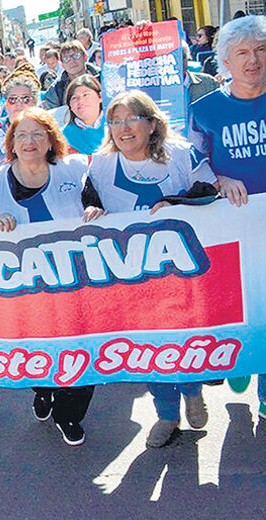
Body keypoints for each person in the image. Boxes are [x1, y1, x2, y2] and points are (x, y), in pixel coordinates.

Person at [82, 91, 222, 446]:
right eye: (115, 121)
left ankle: (192, 392)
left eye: (132, 119)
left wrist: (175, 203)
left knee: (184, 340)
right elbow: (86, 206)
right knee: (149, 346)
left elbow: (211, 190)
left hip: (183, 272)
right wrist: (91, 211)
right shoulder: (99, 166)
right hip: (133, 277)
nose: (123, 128)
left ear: (151, 123)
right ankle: (166, 414)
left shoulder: (181, 155)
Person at [0, 108, 94, 446]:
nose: (29, 141)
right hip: (25, 287)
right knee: (38, 351)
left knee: (80, 347)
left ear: (51, 140)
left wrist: (96, 209)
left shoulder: (77, 170)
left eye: (37, 134)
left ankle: (69, 414)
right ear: (11, 143)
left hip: (75, 280)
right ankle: (44, 389)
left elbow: (101, 204)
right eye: (21, 135)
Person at [189, 15, 264, 417]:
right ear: (226, 62)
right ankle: (243, 362)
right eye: (242, 53)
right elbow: (194, 162)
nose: (253, 60)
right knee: (241, 304)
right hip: (232, 227)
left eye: (261, 50)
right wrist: (219, 179)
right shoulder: (205, 109)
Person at [43, 40, 100, 109]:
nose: (72, 61)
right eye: (66, 58)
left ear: (85, 57)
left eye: (76, 56)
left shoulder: (102, 77)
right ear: (62, 64)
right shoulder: (56, 90)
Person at [61, 75, 105, 156]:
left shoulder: (115, 124)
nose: (81, 101)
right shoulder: (64, 137)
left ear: (100, 97)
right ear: (70, 106)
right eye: (74, 98)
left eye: (86, 95)